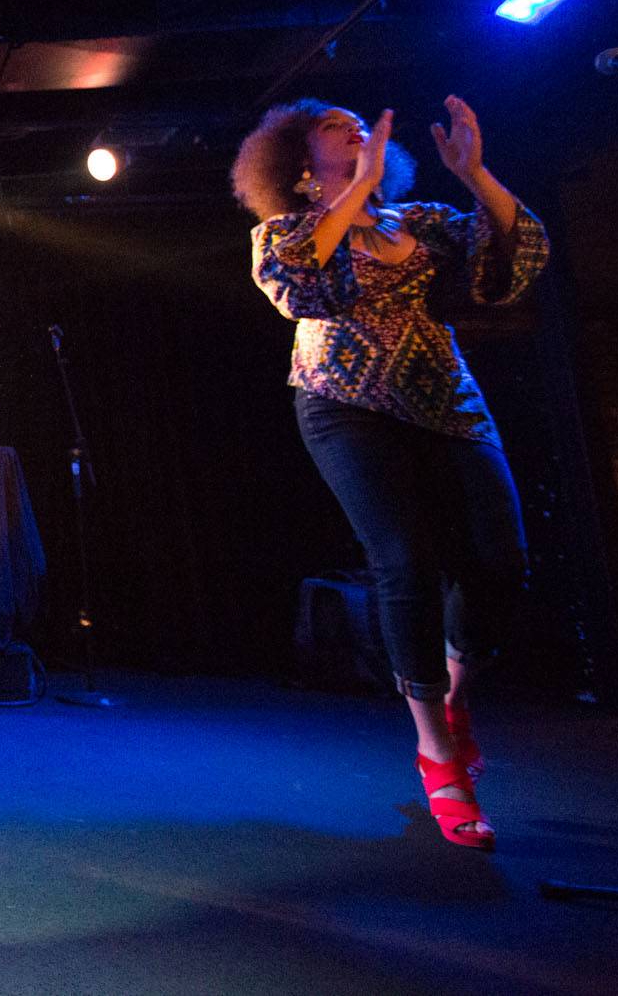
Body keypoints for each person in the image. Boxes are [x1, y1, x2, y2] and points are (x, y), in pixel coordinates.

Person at [234, 94, 549, 851]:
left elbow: (518, 260)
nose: (353, 123)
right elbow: (302, 287)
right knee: (403, 560)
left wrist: (475, 174)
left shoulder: (426, 222)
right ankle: (438, 753)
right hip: (343, 404)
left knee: (500, 561)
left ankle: (453, 693)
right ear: (302, 166)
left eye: (357, 119)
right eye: (332, 125)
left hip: (444, 398)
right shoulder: (284, 232)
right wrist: (348, 198)